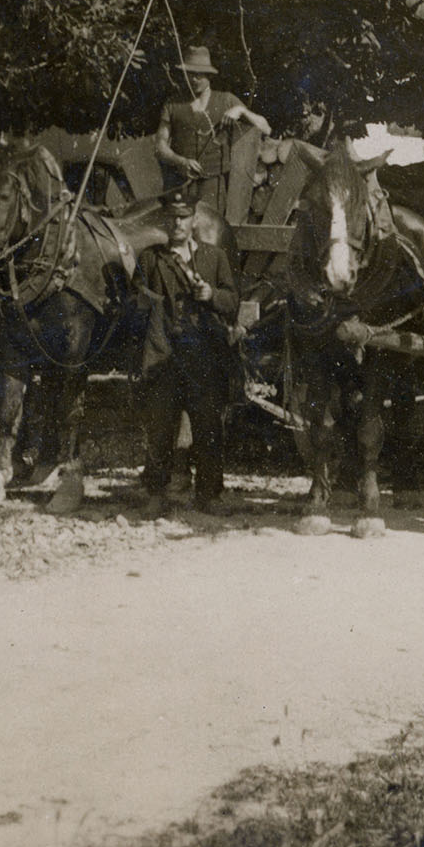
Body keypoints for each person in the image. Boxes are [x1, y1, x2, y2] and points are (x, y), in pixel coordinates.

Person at [136, 189, 243, 515]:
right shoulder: (151, 259)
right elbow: (135, 302)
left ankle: (208, 494)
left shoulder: (213, 257)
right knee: (160, 425)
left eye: (184, 217)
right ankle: (156, 493)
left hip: (204, 354)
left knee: (208, 425)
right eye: (171, 217)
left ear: (195, 220)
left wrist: (210, 294)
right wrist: (148, 303)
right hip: (165, 352)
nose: (178, 223)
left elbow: (232, 301)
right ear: (164, 221)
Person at [155, 45, 271, 214]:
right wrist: (180, 161)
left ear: (209, 76)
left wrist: (241, 111)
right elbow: (159, 147)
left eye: (199, 74)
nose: (194, 79)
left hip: (213, 187)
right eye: (190, 74)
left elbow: (266, 128)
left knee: (210, 234)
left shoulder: (226, 100)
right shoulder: (173, 104)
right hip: (179, 185)